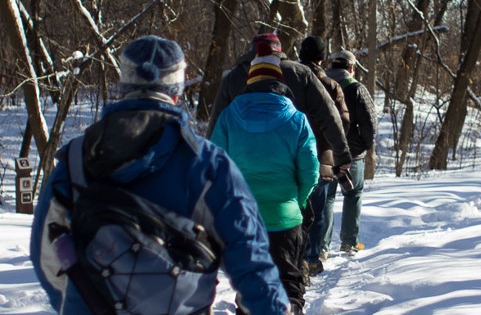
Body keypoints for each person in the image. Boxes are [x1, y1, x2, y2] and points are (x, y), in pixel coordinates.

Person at [30, 35, 290, 315]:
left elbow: (45, 254)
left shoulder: (76, 159)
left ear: (124, 85)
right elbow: (250, 259)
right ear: (177, 90)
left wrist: (75, 303)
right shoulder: (207, 163)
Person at [210, 32, 348, 277]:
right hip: (300, 166)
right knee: (302, 217)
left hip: (246, 195)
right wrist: (342, 153)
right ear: (279, 50)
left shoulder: (234, 78)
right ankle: (305, 264)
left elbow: (216, 135)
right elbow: (329, 114)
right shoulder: (299, 73)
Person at [212, 53, 321, 314]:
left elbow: (216, 166)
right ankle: (292, 307)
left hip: (243, 219)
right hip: (286, 217)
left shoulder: (228, 116)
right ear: (280, 81)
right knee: (289, 282)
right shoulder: (297, 119)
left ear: (250, 80)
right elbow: (311, 171)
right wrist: (299, 200)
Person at [297, 35, 350, 274]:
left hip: (292, 155)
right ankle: (312, 258)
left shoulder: (288, 81)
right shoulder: (330, 85)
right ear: (322, 57)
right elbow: (343, 122)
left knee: (295, 209)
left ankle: (294, 256)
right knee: (317, 211)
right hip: (322, 157)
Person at [325, 50, 374, 253]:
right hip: (352, 153)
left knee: (326, 198)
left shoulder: (320, 85)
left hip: (325, 153)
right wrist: (365, 145)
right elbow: (369, 123)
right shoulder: (357, 88)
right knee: (353, 194)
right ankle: (349, 242)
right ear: (351, 68)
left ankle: (321, 246)